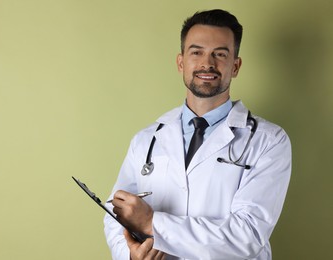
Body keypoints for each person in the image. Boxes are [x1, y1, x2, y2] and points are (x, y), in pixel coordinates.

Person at [104, 9, 291, 260]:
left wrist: (152, 224)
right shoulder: (146, 140)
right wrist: (131, 254)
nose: (207, 63)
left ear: (235, 66)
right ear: (181, 62)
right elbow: (115, 212)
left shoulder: (268, 141)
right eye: (197, 52)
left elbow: (248, 235)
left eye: (220, 54)